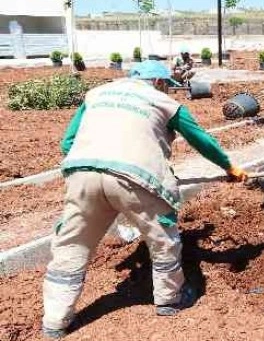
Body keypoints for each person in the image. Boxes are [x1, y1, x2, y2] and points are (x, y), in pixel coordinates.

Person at [41, 61, 247, 339]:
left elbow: (68, 143)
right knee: (163, 238)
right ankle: (170, 299)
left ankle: (55, 321)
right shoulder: (164, 102)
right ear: (160, 83)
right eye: (167, 85)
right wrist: (229, 167)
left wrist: (90, 169)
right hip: (136, 178)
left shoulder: (97, 94)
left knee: (71, 245)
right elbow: (201, 139)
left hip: (82, 173)